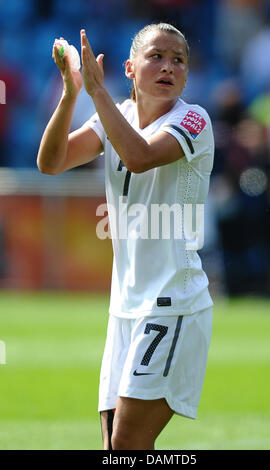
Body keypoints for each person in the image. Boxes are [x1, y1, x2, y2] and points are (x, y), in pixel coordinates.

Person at [37, 23, 214, 450]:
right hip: (125, 307)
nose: (169, 66)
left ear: (187, 74)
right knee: (115, 449)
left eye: (179, 60)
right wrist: (71, 95)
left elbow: (139, 157)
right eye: (156, 56)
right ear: (130, 68)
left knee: (129, 444)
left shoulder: (194, 119)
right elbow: (52, 162)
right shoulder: (114, 116)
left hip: (174, 303)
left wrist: (98, 93)